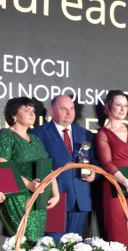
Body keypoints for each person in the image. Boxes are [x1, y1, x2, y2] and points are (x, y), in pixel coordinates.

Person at [0, 97, 60, 241]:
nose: (32, 113)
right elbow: (1, 167)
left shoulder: (36, 139)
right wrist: (28, 184)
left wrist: (55, 193)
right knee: (23, 243)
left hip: (39, 200)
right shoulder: (5, 135)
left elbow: (48, 168)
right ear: (13, 115)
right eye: (26, 110)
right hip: (18, 198)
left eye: (33, 110)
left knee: (37, 244)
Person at [30, 95, 97, 240]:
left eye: (72, 108)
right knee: (53, 246)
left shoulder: (85, 134)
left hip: (80, 200)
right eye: (63, 109)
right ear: (52, 111)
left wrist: (94, 173)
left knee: (75, 247)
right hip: (54, 198)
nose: (69, 113)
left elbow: (95, 161)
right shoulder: (38, 134)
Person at [95, 90, 128, 251]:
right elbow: (107, 164)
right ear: (108, 107)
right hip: (115, 188)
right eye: (118, 105)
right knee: (118, 236)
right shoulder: (103, 133)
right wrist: (126, 183)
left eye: (125, 105)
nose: (123, 109)